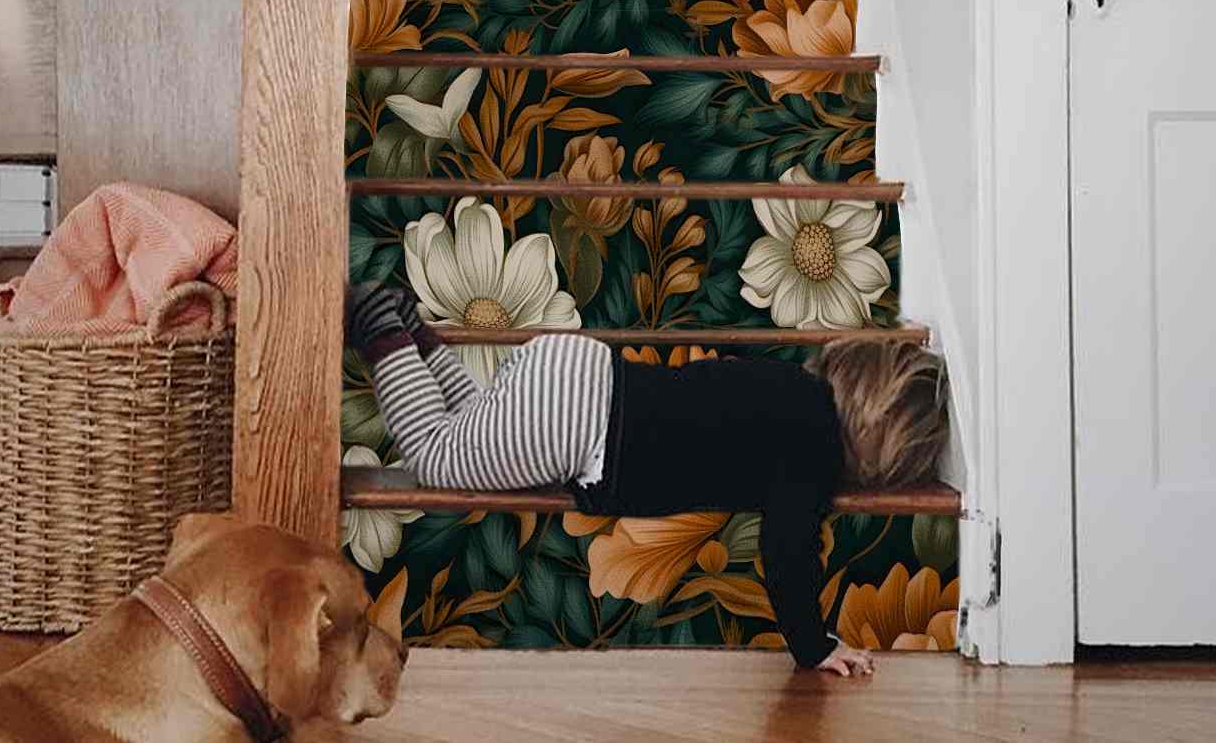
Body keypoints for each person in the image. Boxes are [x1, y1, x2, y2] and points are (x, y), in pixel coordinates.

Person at [347, 283, 948, 676]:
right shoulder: (810, 448)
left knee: (470, 426)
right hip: (579, 423)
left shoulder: (791, 385)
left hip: (578, 366)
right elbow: (787, 551)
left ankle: (413, 333)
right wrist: (814, 646)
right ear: (880, 444)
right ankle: (383, 327)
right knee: (439, 458)